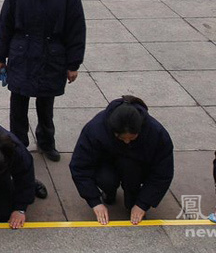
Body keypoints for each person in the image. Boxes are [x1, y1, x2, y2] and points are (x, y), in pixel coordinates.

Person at [0, 0, 87, 163]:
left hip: (51, 58)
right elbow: (4, 25)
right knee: (18, 106)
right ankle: (17, 145)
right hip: (21, 56)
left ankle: (46, 142)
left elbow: (76, 31)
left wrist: (73, 64)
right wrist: (0, 57)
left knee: (46, 106)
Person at [69, 96, 174, 226]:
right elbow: (80, 166)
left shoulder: (157, 133)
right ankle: (109, 191)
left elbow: (163, 172)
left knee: (131, 170)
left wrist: (142, 204)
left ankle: (133, 200)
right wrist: (94, 201)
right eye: (122, 138)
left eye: (132, 138)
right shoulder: (96, 129)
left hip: (138, 167)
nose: (127, 142)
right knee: (107, 179)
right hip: (107, 165)